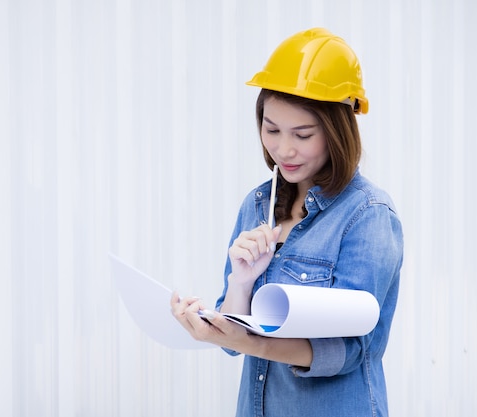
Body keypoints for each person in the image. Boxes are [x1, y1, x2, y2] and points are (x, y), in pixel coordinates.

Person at [170, 27, 403, 417]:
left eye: (303, 134)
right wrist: (239, 282)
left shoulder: (369, 215)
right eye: (271, 129)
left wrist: (255, 345)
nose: (283, 149)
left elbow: (351, 350)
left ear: (337, 132)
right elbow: (233, 340)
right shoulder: (258, 204)